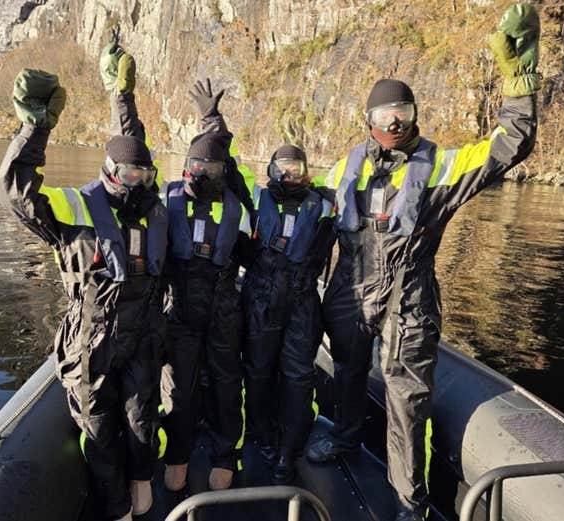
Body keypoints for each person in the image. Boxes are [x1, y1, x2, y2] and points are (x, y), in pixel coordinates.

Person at [305, 4, 541, 520]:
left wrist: (520, 83)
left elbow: (509, 144)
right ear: (367, 121)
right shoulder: (346, 164)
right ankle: (344, 440)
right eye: (386, 115)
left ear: (415, 116)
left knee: (406, 403)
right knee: (345, 374)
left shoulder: (444, 167)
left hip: (407, 305)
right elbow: (307, 208)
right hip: (349, 295)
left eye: (404, 114)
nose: (395, 122)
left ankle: (408, 500)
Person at [0, 52, 167, 520]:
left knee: (142, 422)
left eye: (144, 175)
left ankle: (142, 487)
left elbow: (133, 140)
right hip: (93, 341)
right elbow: (15, 191)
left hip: (145, 337)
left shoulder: (154, 209)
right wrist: (35, 129)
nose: (137, 181)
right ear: (109, 173)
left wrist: (122, 96)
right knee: (101, 431)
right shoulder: (74, 209)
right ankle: (115, 510)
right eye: (129, 174)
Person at [159, 79, 255, 492]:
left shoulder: (237, 203)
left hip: (222, 310)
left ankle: (224, 454)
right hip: (178, 310)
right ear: (185, 169)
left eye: (211, 169)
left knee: (226, 383)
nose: (204, 173)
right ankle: (177, 453)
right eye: (196, 168)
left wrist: (214, 122)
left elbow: (223, 157)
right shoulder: (166, 200)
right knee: (178, 387)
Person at [242, 144, 336, 483]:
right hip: (260, 297)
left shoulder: (326, 202)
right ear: (269, 169)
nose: (288, 175)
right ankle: (260, 435)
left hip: (302, 299)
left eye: (295, 168)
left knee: (298, 375)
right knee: (257, 370)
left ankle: (289, 447)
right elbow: (228, 167)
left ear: (307, 170)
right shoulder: (254, 197)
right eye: (281, 168)